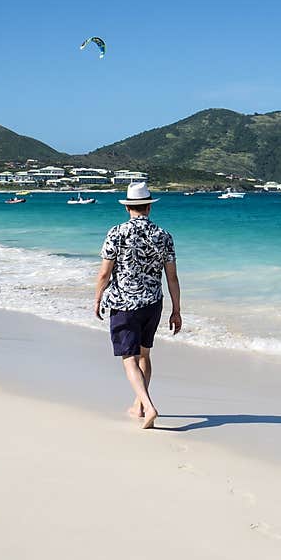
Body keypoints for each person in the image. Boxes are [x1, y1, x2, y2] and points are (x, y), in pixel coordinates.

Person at [94, 182, 181, 429]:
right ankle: (138, 405)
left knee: (128, 357)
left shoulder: (116, 233)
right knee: (144, 353)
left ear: (128, 208)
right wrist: (176, 310)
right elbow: (172, 277)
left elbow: (104, 273)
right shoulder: (164, 235)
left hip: (124, 303)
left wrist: (98, 298)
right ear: (149, 207)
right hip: (153, 303)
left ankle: (148, 405)